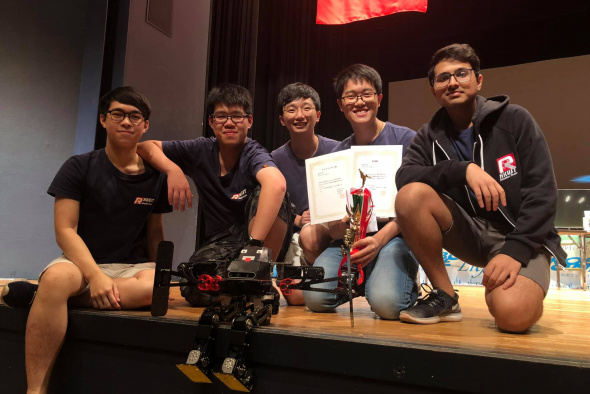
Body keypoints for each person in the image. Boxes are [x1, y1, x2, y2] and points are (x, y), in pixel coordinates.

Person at [0, 86, 172, 393]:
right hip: (80, 264)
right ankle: (35, 390)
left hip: (132, 267)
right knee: (57, 279)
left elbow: (155, 233)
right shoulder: (79, 166)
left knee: (154, 289)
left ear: (145, 125)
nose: (126, 121)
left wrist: (164, 275)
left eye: (135, 116)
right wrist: (95, 275)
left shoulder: (156, 176)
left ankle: (43, 296)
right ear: (103, 120)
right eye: (118, 114)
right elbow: (65, 230)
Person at [395, 44, 566, 332]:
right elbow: (405, 176)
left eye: (461, 73)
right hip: (470, 233)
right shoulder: (428, 135)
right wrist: (462, 170)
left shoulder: (515, 119)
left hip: (522, 235)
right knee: (410, 195)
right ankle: (445, 296)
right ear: (434, 89)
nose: (452, 82)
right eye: (442, 78)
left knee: (513, 316)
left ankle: (516, 287)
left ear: (479, 80)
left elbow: (542, 192)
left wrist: (515, 249)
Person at [137, 83, 291, 306]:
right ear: (211, 122)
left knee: (272, 195)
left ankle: (262, 278)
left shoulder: (254, 153)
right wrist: (173, 169)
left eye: (237, 116)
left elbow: (276, 184)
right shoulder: (200, 150)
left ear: (249, 121)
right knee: (192, 286)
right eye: (221, 116)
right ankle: (239, 294)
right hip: (222, 241)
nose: (229, 123)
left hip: (256, 237)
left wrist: (253, 249)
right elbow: (145, 147)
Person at [302, 64, 419, 320]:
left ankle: (404, 286)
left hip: (394, 236)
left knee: (388, 305)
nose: (359, 102)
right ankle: (361, 285)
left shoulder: (406, 140)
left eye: (366, 94)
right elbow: (332, 227)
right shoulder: (336, 156)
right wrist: (341, 228)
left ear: (379, 98)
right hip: (350, 240)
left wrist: (378, 241)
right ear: (341, 104)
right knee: (315, 297)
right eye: (351, 96)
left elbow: (415, 207)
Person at [271, 83, 339, 305]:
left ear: (318, 115)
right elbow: (271, 205)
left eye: (307, 108)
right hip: (294, 236)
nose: (299, 115)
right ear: (282, 119)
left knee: (310, 235)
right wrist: (298, 219)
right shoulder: (273, 160)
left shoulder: (338, 151)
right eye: (291, 110)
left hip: (332, 236)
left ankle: (332, 280)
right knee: (297, 299)